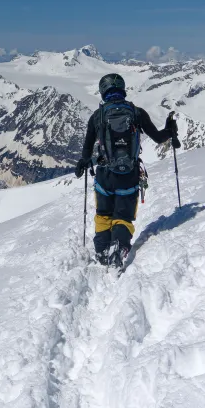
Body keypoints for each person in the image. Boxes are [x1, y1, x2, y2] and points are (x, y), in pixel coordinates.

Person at [75, 73, 180, 268]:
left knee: (104, 214)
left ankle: (101, 250)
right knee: (123, 216)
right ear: (122, 90)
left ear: (102, 91)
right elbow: (158, 138)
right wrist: (169, 129)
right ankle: (120, 247)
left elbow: (88, 147)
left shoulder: (97, 116)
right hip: (129, 175)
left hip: (104, 175)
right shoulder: (136, 112)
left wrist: (83, 161)